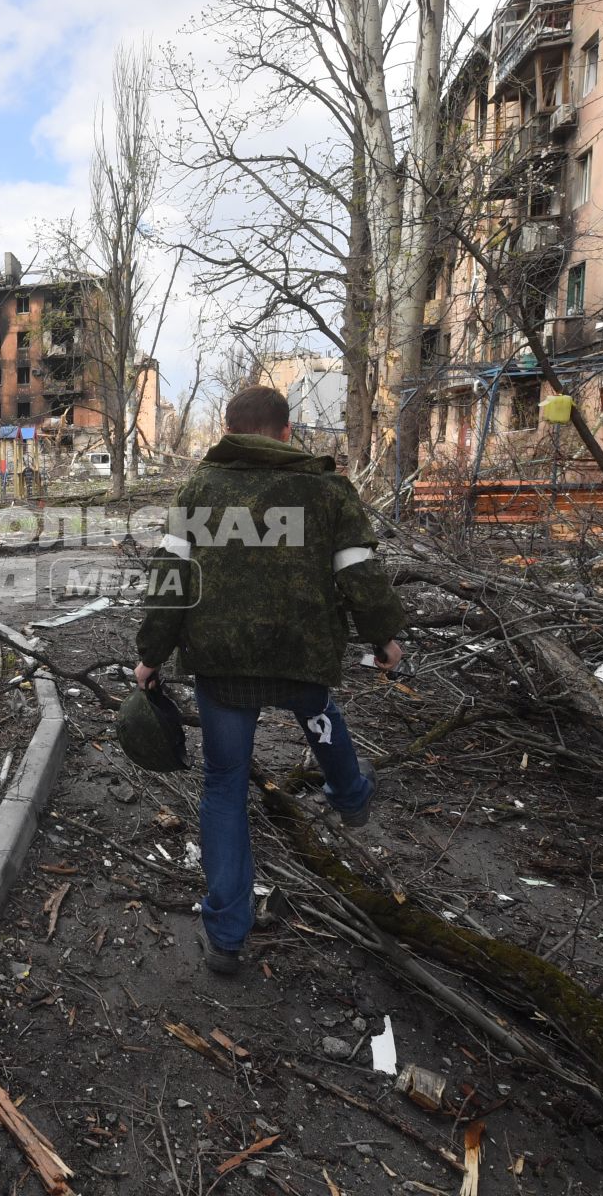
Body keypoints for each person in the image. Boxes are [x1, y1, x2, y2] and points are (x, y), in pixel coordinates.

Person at [132, 386, 406, 975]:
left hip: (223, 666)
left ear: (228, 432)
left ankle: (228, 936)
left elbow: (171, 578)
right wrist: (384, 636)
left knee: (224, 786)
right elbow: (362, 572)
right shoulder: (328, 490)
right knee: (320, 713)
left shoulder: (200, 491)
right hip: (300, 658)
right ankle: (351, 796)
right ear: (286, 433)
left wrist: (150, 654)